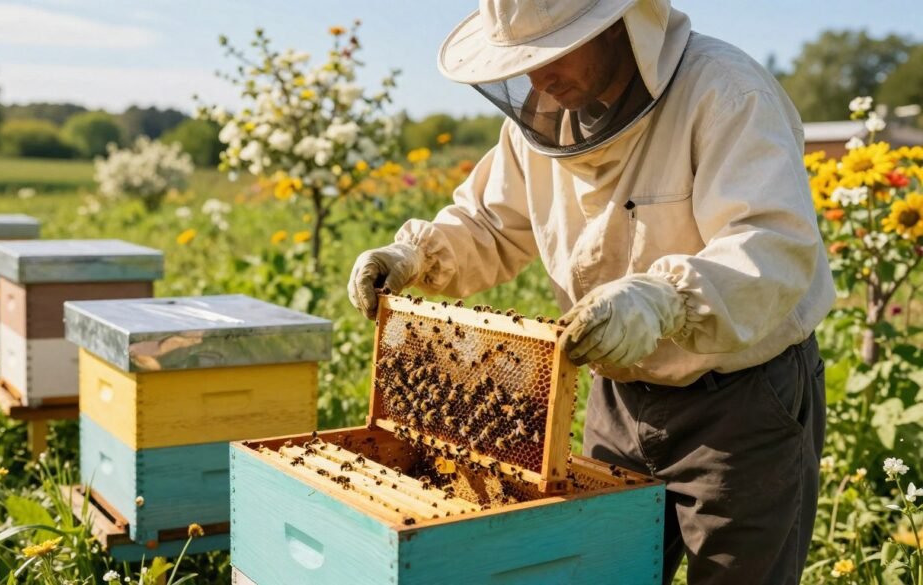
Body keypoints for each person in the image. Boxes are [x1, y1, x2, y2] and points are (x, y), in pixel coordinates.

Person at [348, 0, 836, 583]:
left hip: (740, 407)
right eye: (524, 60)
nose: (538, 77)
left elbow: (771, 243)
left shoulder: (726, 93)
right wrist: (415, 258)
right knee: (602, 571)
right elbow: (490, 223)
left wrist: (664, 299)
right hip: (617, 401)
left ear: (616, 26)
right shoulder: (544, 119)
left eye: (554, 52)